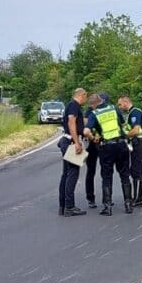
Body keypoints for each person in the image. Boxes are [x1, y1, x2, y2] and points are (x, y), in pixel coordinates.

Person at [84, 93, 133, 216]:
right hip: (121, 145)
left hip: (107, 147)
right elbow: (122, 123)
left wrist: (93, 138)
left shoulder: (94, 114)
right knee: (125, 175)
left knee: (106, 176)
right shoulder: (114, 108)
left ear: (94, 104)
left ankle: (108, 207)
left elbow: (86, 131)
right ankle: (128, 205)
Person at [57, 87, 88, 216]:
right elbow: (71, 123)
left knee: (66, 174)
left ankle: (63, 206)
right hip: (70, 142)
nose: (86, 99)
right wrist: (77, 143)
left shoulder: (71, 105)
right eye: (86, 96)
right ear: (82, 95)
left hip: (67, 141)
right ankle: (69, 206)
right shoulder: (74, 105)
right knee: (72, 174)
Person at [118, 95, 142, 208]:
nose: (120, 107)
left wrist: (124, 136)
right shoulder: (131, 113)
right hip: (136, 143)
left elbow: (135, 130)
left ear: (126, 102)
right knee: (135, 170)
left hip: (139, 143)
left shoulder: (135, 112)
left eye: (120, 104)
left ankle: (138, 199)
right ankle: (136, 197)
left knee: (137, 170)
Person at [82, 92, 105, 209]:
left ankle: (106, 198)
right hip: (92, 143)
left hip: (101, 142)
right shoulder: (89, 111)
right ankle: (90, 198)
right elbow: (86, 126)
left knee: (104, 170)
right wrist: (93, 136)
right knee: (91, 171)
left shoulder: (102, 110)